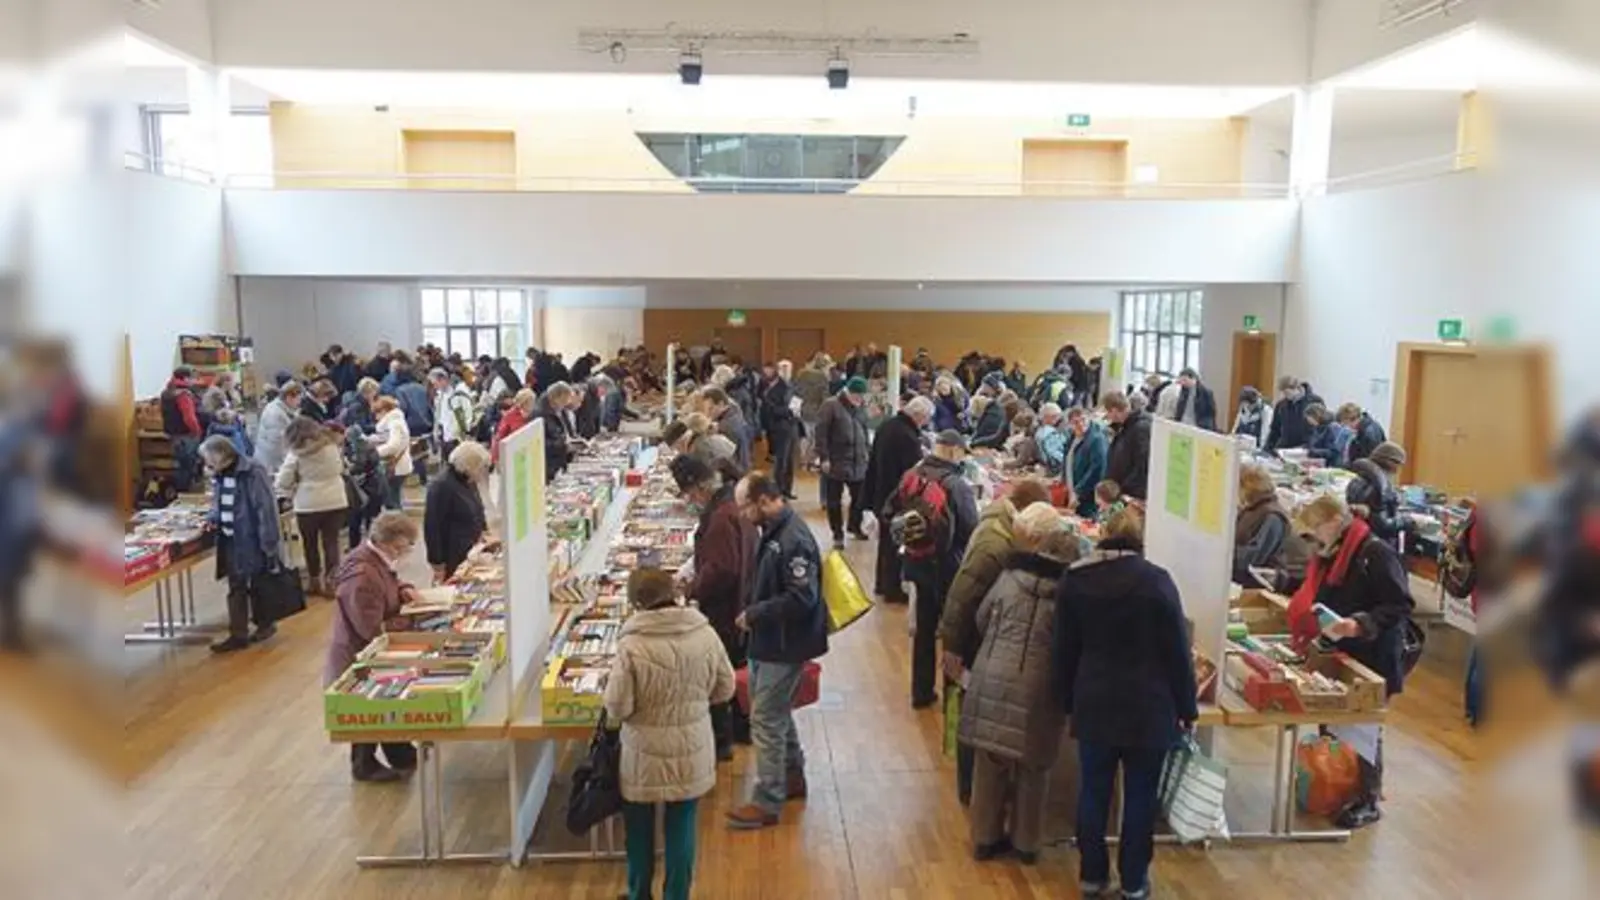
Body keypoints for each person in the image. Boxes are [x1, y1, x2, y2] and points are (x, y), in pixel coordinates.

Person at [1053, 508, 1198, 900]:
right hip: (1148, 706)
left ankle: (1091, 876)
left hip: (1094, 699)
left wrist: (1066, 700)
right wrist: (1188, 708)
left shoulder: (1075, 581)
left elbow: (1064, 649)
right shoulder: (1157, 582)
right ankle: (1134, 882)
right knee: (1140, 796)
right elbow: (1177, 653)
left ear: (1103, 536)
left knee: (1094, 791)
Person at [603, 568, 734, 900]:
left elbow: (617, 707)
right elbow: (726, 687)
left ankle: (638, 892)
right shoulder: (704, 633)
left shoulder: (631, 645)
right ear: (674, 593)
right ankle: (677, 894)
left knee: (638, 825)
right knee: (682, 823)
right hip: (692, 745)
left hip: (643, 751)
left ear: (636, 603)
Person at [963, 505, 1080, 865]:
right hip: (1041, 688)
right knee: (1034, 768)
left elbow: (982, 618)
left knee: (990, 764)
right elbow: (1072, 646)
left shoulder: (1009, 578)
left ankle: (984, 838)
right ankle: (1026, 844)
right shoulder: (1070, 597)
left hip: (993, 675)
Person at [1289, 494, 1415, 829]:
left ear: (1333, 522)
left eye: (1316, 530)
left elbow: (1400, 605)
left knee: (1364, 730)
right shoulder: (1334, 553)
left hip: (1373, 655)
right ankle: (1338, 783)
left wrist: (1359, 624)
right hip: (1343, 648)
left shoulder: (1375, 553)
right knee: (1333, 722)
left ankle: (1368, 798)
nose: (1314, 539)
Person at [939, 477, 1053, 805]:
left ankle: (974, 790)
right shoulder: (996, 546)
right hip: (971, 642)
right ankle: (969, 789)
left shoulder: (996, 528)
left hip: (975, 640)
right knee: (968, 718)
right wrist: (954, 648)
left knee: (970, 713)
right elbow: (962, 596)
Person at [726, 473, 829, 830]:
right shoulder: (774, 532)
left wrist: (756, 613)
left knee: (766, 718)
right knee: (776, 711)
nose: (742, 514)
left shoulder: (792, 539)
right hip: (772, 640)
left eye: (746, 507)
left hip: (784, 643)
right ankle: (792, 775)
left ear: (766, 500)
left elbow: (803, 597)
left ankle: (768, 800)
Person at [325, 511, 423, 782]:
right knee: (367, 707)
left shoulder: (371, 560)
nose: (404, 553)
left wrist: (404, 590)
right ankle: (364, 764)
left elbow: (389, 581)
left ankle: (398, 750)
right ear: (387, 543)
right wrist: (410, 617)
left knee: (382, 703)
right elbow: (371, 628)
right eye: (402, 548)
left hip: (366, 651)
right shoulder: (362, 576)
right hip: (358, 653)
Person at [671, 454, 755, 761]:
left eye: (689, 493)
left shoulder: (720, 517)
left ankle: (722, 741)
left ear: (699, 487)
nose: (690, 500)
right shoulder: (731, 504)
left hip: (724, 609)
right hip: (738, 602)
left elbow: (722, 568)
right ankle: (739, 728)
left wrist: (693, 588)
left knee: (720, 676)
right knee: (732, 669)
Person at [887, 430, 980, 709]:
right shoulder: (957, 485)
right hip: (948, 567)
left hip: (916, 561)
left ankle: (921, 691)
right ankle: (953, 698)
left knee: (924, 630)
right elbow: (970, 529)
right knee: (953, 634)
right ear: (953, 451)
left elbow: (889, 510)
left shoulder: (912, 475)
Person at [201, 435, 284, 654]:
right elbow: (220, 502)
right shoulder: (220, 475)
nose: (207, 466)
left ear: (222, 456)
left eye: (209, 460)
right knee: (235, 586)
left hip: (252, 539)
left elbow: (265, 509)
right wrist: (213, 517)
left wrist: (269, 544)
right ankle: (238, 634)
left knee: (258, 583)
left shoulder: (253, 472)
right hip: (230, 538)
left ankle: (265, 624)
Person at [863, 395, 934, 606]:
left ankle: (881, 583)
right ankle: (892, 589)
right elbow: (912, 473)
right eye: (926, 419)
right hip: (896, 497)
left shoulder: (888, 426)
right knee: (895, 542)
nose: (926, 423)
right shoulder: (908, 437)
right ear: (919, 416)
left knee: (885, 542)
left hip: (880, 492)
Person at [274, 416, 350, 597]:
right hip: (335, 500)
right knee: (331, 542)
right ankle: (332, 582)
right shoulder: (332, 446)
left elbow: (283, 481)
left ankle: (314, 580)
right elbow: (341, 469)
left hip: (308, 504)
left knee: (310, 544)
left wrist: (288, 487)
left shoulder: (296, 454)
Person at [813, 377, 872, 550]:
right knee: (834, 501)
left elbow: (863, 429)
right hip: (836, 461)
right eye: (857, 396)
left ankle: (854, 526)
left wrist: (867, 452)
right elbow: (821, 433)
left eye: (862, 397)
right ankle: (837, 534)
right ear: (848, 392)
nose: (860, 400)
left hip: (858, 461)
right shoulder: (830, 406)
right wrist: (824, 457)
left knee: (859, 498)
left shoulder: (860, 408)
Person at [423, 442, 492, 583]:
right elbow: (432, 526)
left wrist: (484, 531)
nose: (482, 472)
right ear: (469, 466)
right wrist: (437, 562)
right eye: (481, 467)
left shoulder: (468, 480)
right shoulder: (441, 486)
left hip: (471, 550)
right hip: (453, 554)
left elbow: (478, 507)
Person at [1232, 463, 1308, 588]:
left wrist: (1224, 551)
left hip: (1259, 582)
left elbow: (1254, 557)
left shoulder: (1272, 517)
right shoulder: (1252, 509)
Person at [1346, 441, 1410, 553]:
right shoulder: (1381, 487)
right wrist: (1407, 521)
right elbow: (1382, 525)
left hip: (1359, 539)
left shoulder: (1359, 478)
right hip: (1378, 545)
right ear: (1392, 464)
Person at [759, 361, 800, 500]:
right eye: (783, 368)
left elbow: (797, 401)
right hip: (780, 427)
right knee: (781, 461)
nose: (786, 371)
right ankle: (777, 491)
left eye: (788, 368)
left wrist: (795, 411)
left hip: (792, 426)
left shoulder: (791, 385)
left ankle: (787, 489)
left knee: (789, 461)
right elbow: (772, 409)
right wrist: (789, 411)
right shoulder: (771, 389)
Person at [1101, 391, 1152, 501]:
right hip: (1121, 490)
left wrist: (1123, 488)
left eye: (1107, 413)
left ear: (1114, 410)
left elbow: (1142, 465)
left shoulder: (1140, 428)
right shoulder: (1125, 426)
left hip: (1130, 494)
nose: (1107, 417)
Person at [161, 366, 205, 491]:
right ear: (185, 378)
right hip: (187, 436)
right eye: (192, 378)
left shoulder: (167, 392)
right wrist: (197, 431)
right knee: (189, 467)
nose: (194, 381)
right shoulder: (183, 394)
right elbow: (189, 417)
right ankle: (187, 497)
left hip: (173, 435)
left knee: (180, 467)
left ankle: (179, 496)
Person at [343, 424, 386, 550]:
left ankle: (355, 547)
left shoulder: (359, 446)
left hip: (365, 487)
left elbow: (360, 465)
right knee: (371, 519)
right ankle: (372, 545)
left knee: (355, 518)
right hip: (376, 485)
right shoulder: (369, 444)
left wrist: (348, 468)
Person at [1063, 407, 1110, 519]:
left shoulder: (1096, 439)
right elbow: (1067, 459)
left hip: (1088, 497)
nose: (1080, 424)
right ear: (1070, 424)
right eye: (1076, 422)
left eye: (1083, 420)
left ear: (1089, 419)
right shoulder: (1072, 438)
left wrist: (1078, 492)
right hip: (1072, 491)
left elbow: (1097, 469)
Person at [369, 396, 413, 510]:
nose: (376, 417)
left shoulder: (394, 423)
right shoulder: (396, 421)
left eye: (377, 413)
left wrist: (376, 452)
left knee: (392, 501)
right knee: (394, 497)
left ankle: (396, 524)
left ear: (384, 410)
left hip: (396, 466)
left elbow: (393, 445)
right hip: (400, 465)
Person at [254, 380, 302, 478]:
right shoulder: (275, 414)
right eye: (298, 399)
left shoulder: (281, 409)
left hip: (271, 462)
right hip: (271, 466)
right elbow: (277, 446)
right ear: (289, 398)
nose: (299, 402)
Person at [1264, 376, 1323, 452]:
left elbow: (1321, 427)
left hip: (1305, 448)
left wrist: (1310, 446)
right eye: (1284, 393)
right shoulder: (1281, 405)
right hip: (1285, 447)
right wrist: (1267, 448)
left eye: (1287, 393)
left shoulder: (1314, 401)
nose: (1285, 396)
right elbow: (1275, 429)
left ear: (1296, 388)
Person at [537, 381, 579, 482]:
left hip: (561, 462)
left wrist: (575, 440)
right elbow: (540, 444)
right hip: (549, 467)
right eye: (564, 400)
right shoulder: (540, 414)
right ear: (556, 398)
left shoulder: (560, 409)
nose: (566, 404)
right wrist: (562, 445)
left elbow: (567, 431)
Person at [430, 367, 475, 462]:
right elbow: (437, 416)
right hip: (445, 436)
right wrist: (436, 432)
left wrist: (466, 430)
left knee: (459, 463)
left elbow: (468, 413)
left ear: (443, 380)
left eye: (435, 383)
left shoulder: (458, 394)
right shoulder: (439, 397)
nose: (434, 386)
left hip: (457, 437)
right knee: (447, 462)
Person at [702, 386, 751, 470]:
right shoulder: (733, 414)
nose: (707, 414)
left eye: (711, 409)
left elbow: (726, 461)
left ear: (721, 404)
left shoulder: (728, 428)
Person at [663, 414, 737, 465]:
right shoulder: (699, 438)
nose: (678, 451)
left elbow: (707, 476)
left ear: (680, 442)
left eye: (677, 448)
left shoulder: (699, 447)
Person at [491, 388, 537, 463]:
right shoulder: (510, 416)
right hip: (512, 453)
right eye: (531, 402)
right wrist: (495, 458)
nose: (533, 405)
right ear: (523, 403)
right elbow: (499, 436)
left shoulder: (533, 415)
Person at [1303, 402, 1352, 467]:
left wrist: (1313, 452)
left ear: (1315, 416)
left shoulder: (1331, 428)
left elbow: (1332, 451)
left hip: (1329, 464)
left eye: (1309, 417)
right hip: (1317, 461)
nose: (1308, 420)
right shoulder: (1317, 427)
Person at [1034, 403, 1069, 476]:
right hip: (1057, 470)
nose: (1057, 419)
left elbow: (1056, 455)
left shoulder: (1044, 432)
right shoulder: (1050, 433)